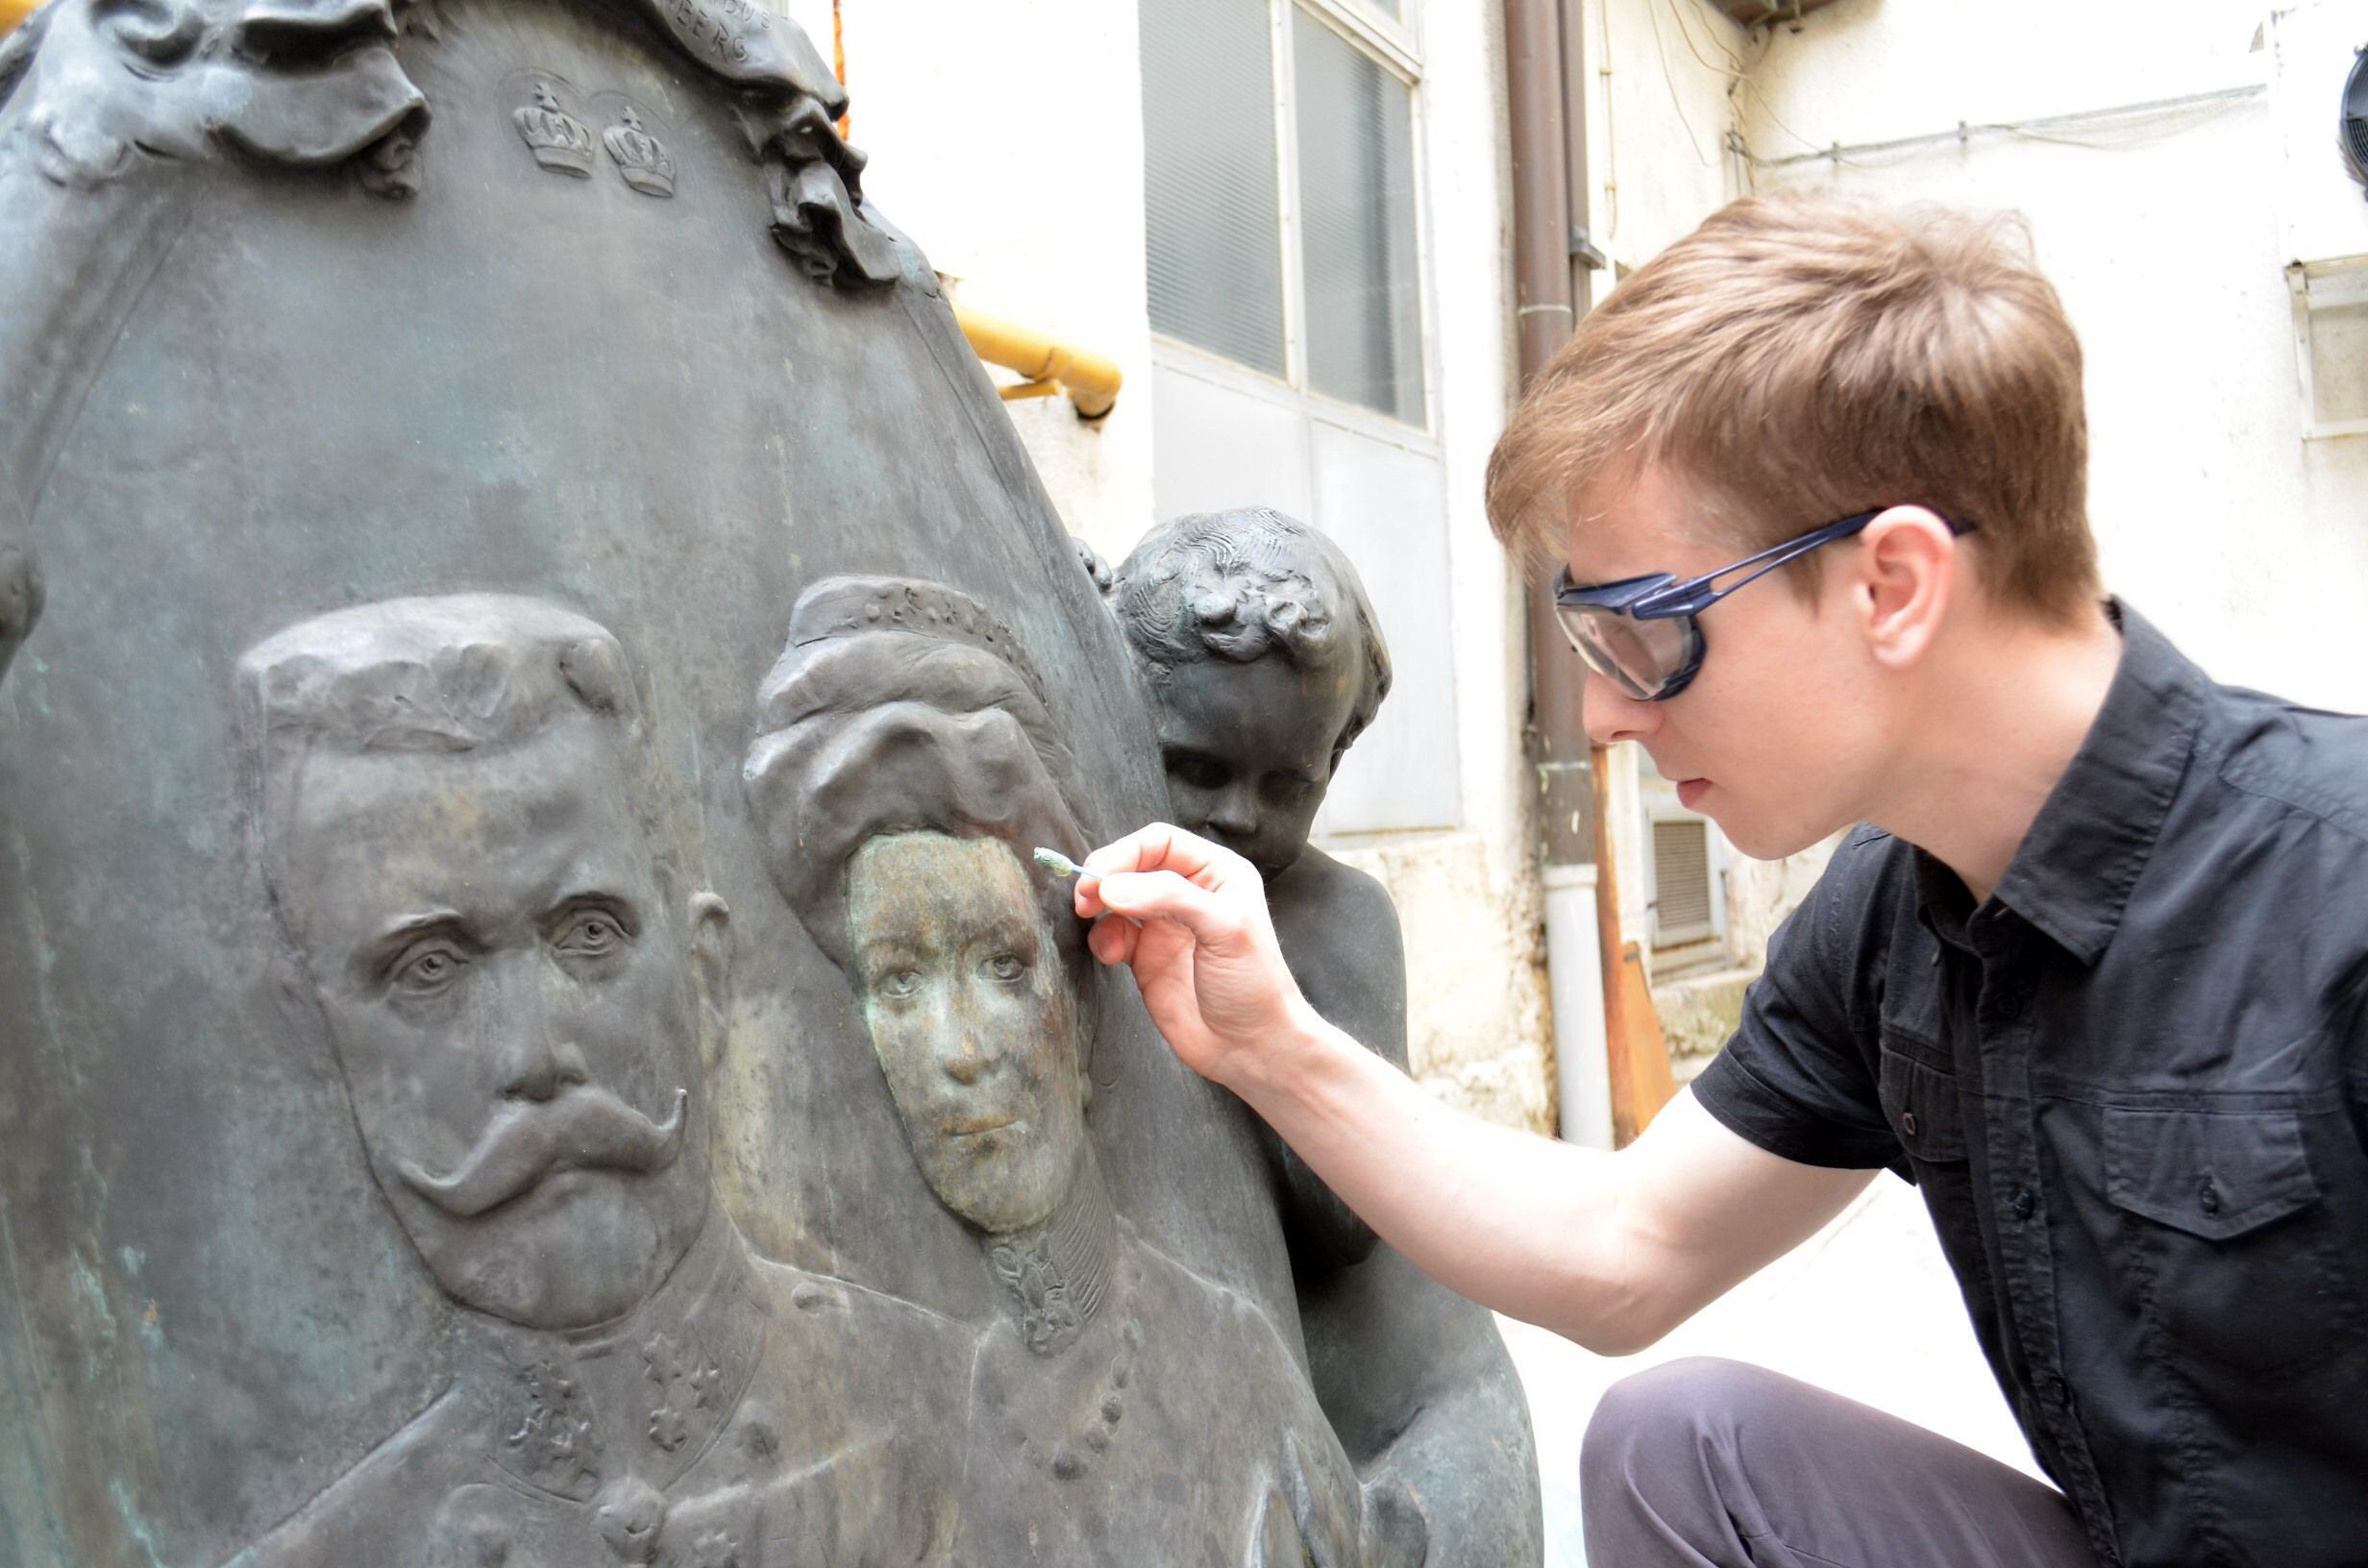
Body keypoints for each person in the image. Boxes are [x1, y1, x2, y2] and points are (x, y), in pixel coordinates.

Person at [1069, 189, 2368, 1568]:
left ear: (1891, 586)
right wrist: (1270, 1043)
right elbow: (1623, 1249)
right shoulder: (1892, 920)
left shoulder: (2331, 901)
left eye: (1642, 632)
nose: (1602, 716)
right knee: (1683, 1445)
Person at [230, 593, 969, 1568]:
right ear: (322, 1047)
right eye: (429, 968)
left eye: (587, 934)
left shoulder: (969, 1422)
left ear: (706, 973)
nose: (533, 1057)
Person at [739, 574, 1411, 1568]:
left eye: (1004, 967)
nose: (962, 1049)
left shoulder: (1234, 1379)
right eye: (900, 981)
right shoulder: (838, 1425)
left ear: (1082, 1004)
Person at [1104, 508, 1544, 1563]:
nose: (1236, 816)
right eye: (1193, 767)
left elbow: (1345, 1219)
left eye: (1286, 785)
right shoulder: (1104, 885)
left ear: (1332, 761)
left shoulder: (1339, 920)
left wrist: (1264, 1030)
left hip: (1413, 1436)